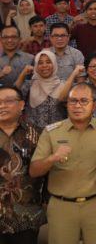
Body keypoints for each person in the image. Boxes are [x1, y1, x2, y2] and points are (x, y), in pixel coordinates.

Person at [30, 83, 96, 244]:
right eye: (73, 101)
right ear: (67, 104)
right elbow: (34, 171)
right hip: (62, 206)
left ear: (94, 105)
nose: (77, 106)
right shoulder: (51, 132)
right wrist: (52, 158)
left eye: (83, 101)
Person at [0, 84, 46, 243]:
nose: (2, 106)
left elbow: (47, 172)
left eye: (8, 101)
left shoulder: (37, 134)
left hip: (27, 216)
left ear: (21, 105)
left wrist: (46, 201)